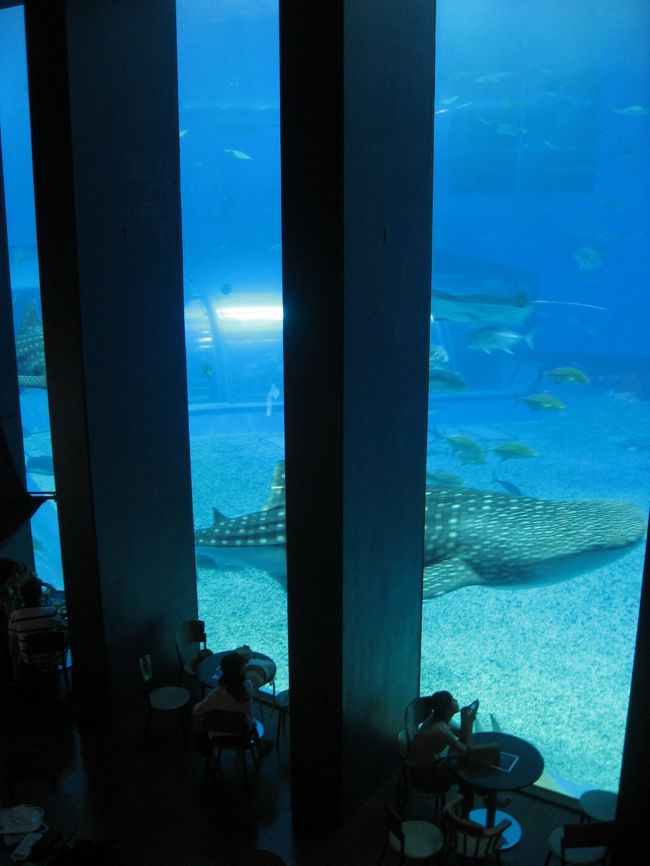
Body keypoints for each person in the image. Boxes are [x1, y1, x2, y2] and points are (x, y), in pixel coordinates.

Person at [193, 652, 273, 756]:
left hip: (220, 734)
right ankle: (260, 746)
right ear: (242, 670)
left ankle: (210, 760)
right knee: (249, 717)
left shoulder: (218, 693)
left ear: (222, 670)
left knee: (200, 721)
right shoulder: (248, 686)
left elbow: (197, 710)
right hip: (246, 731)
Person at [407, 690, 475, 791]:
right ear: (448, 711)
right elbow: (465, 751)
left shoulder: (438, 718)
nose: (456, 700)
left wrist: (464, 719)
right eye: (452, 700)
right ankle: (470, 803)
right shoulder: (441, 730)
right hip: (426, 775)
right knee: (468, 771)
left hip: (424, 764)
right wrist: (470, 723)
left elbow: (461, 734)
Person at [7, 576, 63, 681]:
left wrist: (14, 663)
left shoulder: (15, 616)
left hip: (29, 660)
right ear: (40, 594)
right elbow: (60, 632)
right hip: (54, 658)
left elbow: (12, 645)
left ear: (21, 595)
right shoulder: (52, 611)